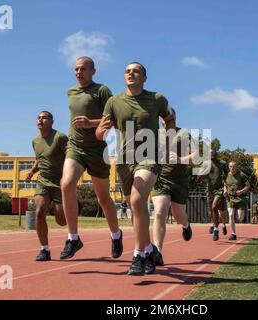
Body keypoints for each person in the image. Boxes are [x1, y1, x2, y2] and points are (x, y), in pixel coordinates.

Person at [96, 61, 174, 276]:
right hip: (124, 160)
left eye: (136, 71)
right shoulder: (114, 102)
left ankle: (138, 254)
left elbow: (169, 118)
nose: (131, 73)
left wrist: (168, 138)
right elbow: (100, 134)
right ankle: (150, 250)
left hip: (149, 156)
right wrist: (101, 131)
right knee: (135, 207)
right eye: (128, 71)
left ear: (144, 78)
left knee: (138, 200)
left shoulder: (156, 99)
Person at [59, 56, 123, 260]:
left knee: (103, 199)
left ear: (93, 71)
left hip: (97, 150)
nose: (79, 72)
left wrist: (91, 123)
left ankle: (116, 235)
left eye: (83, 69)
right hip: (75, 146)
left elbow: (114, 117)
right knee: (67, 184)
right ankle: (73, 238)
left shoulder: (102, 90)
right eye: (76, 69)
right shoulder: (70, 92)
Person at [151, 108, 196, 266]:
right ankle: (158, 252)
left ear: (174, 118)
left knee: (178, 215)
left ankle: (185, 225)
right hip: (160, 178)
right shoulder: (154, 135)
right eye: (163, 117)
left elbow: (195, 156)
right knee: (159, 212)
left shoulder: (183, 134)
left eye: (169, 117)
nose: (166, 120)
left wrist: (179, 159)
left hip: (180, 180)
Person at [27, 111, 68, 261]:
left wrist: (69, 178)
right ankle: (44, 249)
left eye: (44, 117)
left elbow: (71, 158)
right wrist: (32, 171)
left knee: (61, 221)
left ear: (52, 121)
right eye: (38, 117)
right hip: (43, 181)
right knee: (39, 212)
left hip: (60, 182)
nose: (40, 120)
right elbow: (39, 160)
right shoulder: (35, 141)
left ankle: (72, 209)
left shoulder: (60, 138)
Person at [203, 150, 229, 241]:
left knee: (217, 208)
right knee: (212, 209)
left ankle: (217, 229)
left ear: (216, 154)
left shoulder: (222, 163)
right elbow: (200, 175)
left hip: (220, 189)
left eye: (213, 153)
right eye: (209, 154)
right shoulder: (206, 164)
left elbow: (227, 176)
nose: (211, 155)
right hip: (210, 190)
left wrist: (226, 187)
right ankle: (216, 225)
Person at [223, 161, 250, 240]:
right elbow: (225, 184)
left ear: (236, 167)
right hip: (230, 198)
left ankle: (242, 215)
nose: (232, 168)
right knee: (231, 215)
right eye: (231, 166)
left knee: (240, 218)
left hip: (240, 198)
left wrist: (241, 191)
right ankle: (233, 234)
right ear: (229, 167)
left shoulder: (241, 175)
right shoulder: (226, 175)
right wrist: (225, 191)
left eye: (234, 166)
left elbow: (248, 186)